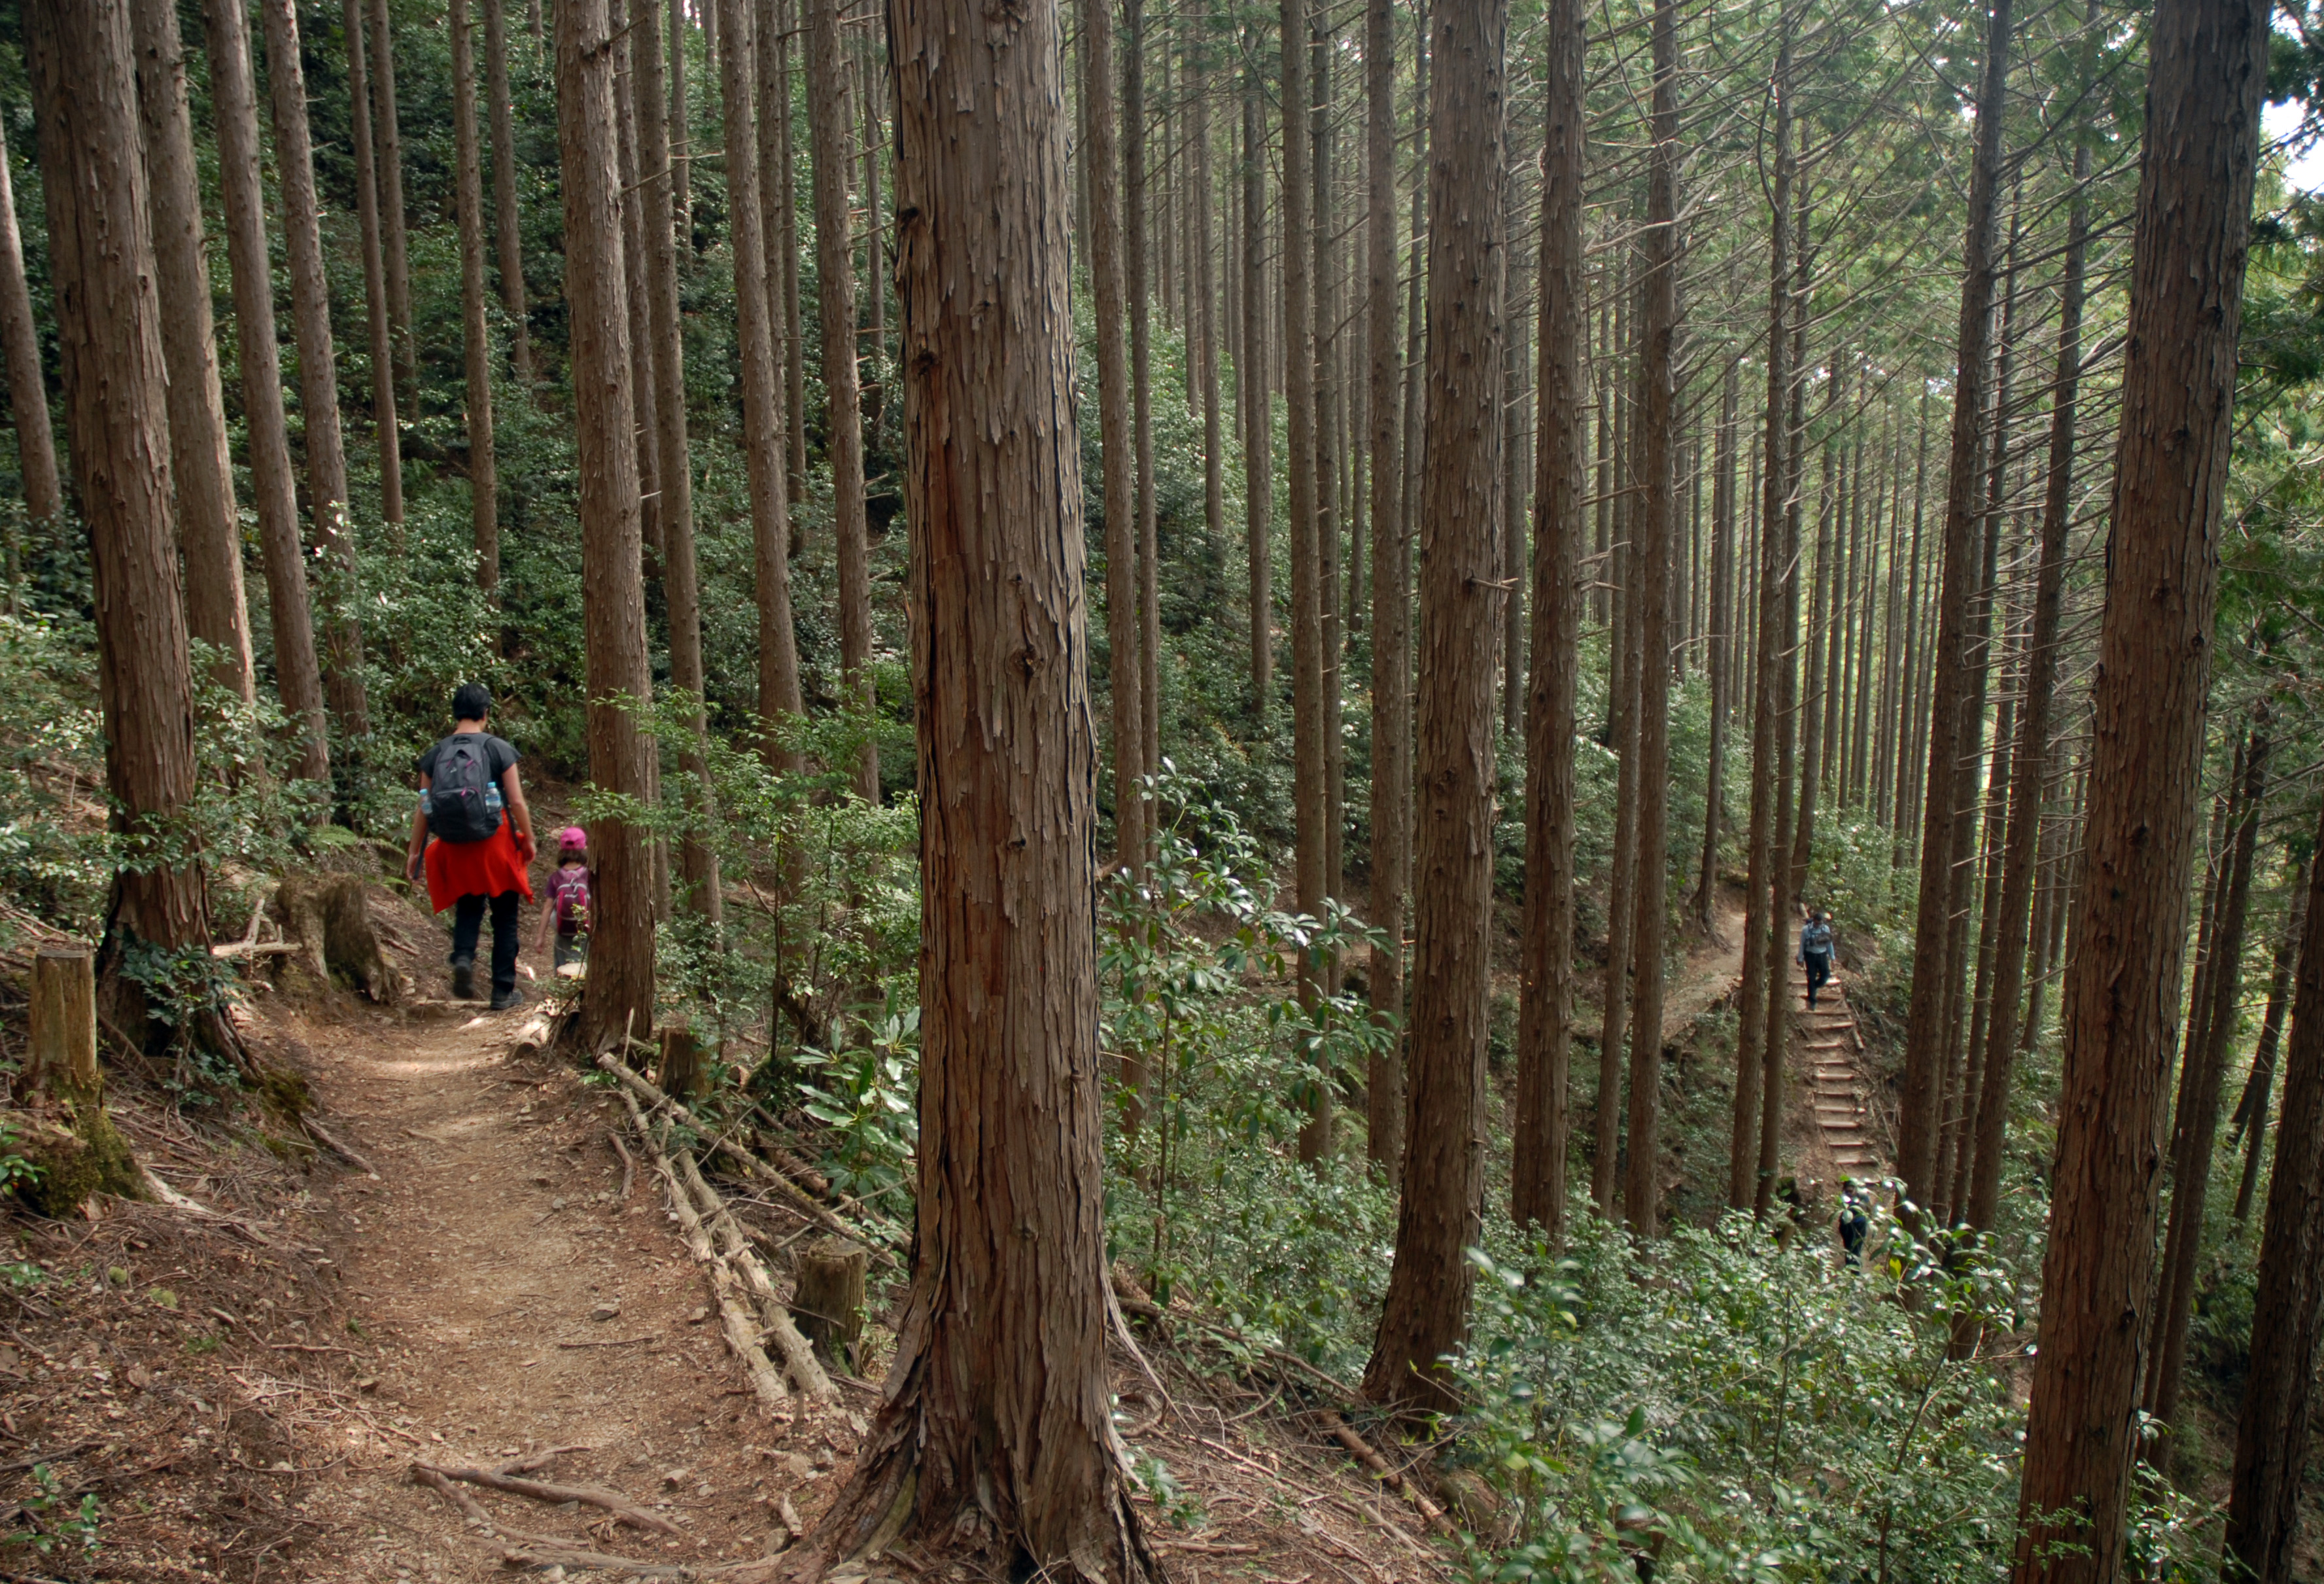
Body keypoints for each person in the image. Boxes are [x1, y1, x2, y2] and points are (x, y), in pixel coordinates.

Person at [406, 682, 537, 1009]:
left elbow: (424, 806)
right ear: (485, 713)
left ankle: (463, 957)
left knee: (468, 906)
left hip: (454, 844)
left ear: (455, 713)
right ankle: (502, 991)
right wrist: (529, 838)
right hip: (496, 842)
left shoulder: (436, 754)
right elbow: (517, 802)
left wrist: (414, 852)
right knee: (505, 917)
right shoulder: (498, 748)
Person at [534, 826, 593, 976]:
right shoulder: (588, 875)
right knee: (585, 966)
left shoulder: (556, 877)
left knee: (563, 965)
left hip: (563, 930)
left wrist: (540, 937)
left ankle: (561, 990)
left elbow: (548, 908)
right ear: (584, 848)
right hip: (585, 930)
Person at [1798, 908, 1837, 1008]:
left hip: (1822, 955)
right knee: (1811, 977)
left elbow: (1829, 944)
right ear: (1813, 921)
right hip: (1810, 955)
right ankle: (1812, 1001)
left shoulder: (1826, 929)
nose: (1818, 925)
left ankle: (1814, 987)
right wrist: (1800, 959)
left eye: (1819, 923)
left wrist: (1832, 958)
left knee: (1825, 976)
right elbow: (1802, 944)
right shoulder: (1806, 930)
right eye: (1816, 923)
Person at [1837, 1179, 1871, 1267]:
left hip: (1860, 1224)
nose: (1849, 1194)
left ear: (1856, 1189)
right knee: (1848, 1247)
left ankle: (1855, 1271)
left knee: (1857, 1249)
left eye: (1851, 1191)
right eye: (1847, 1191)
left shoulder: (1863, 1196)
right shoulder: (1843, 1197)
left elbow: (1868, 1208)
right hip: (1847, 1225)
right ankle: (1849, 1267)